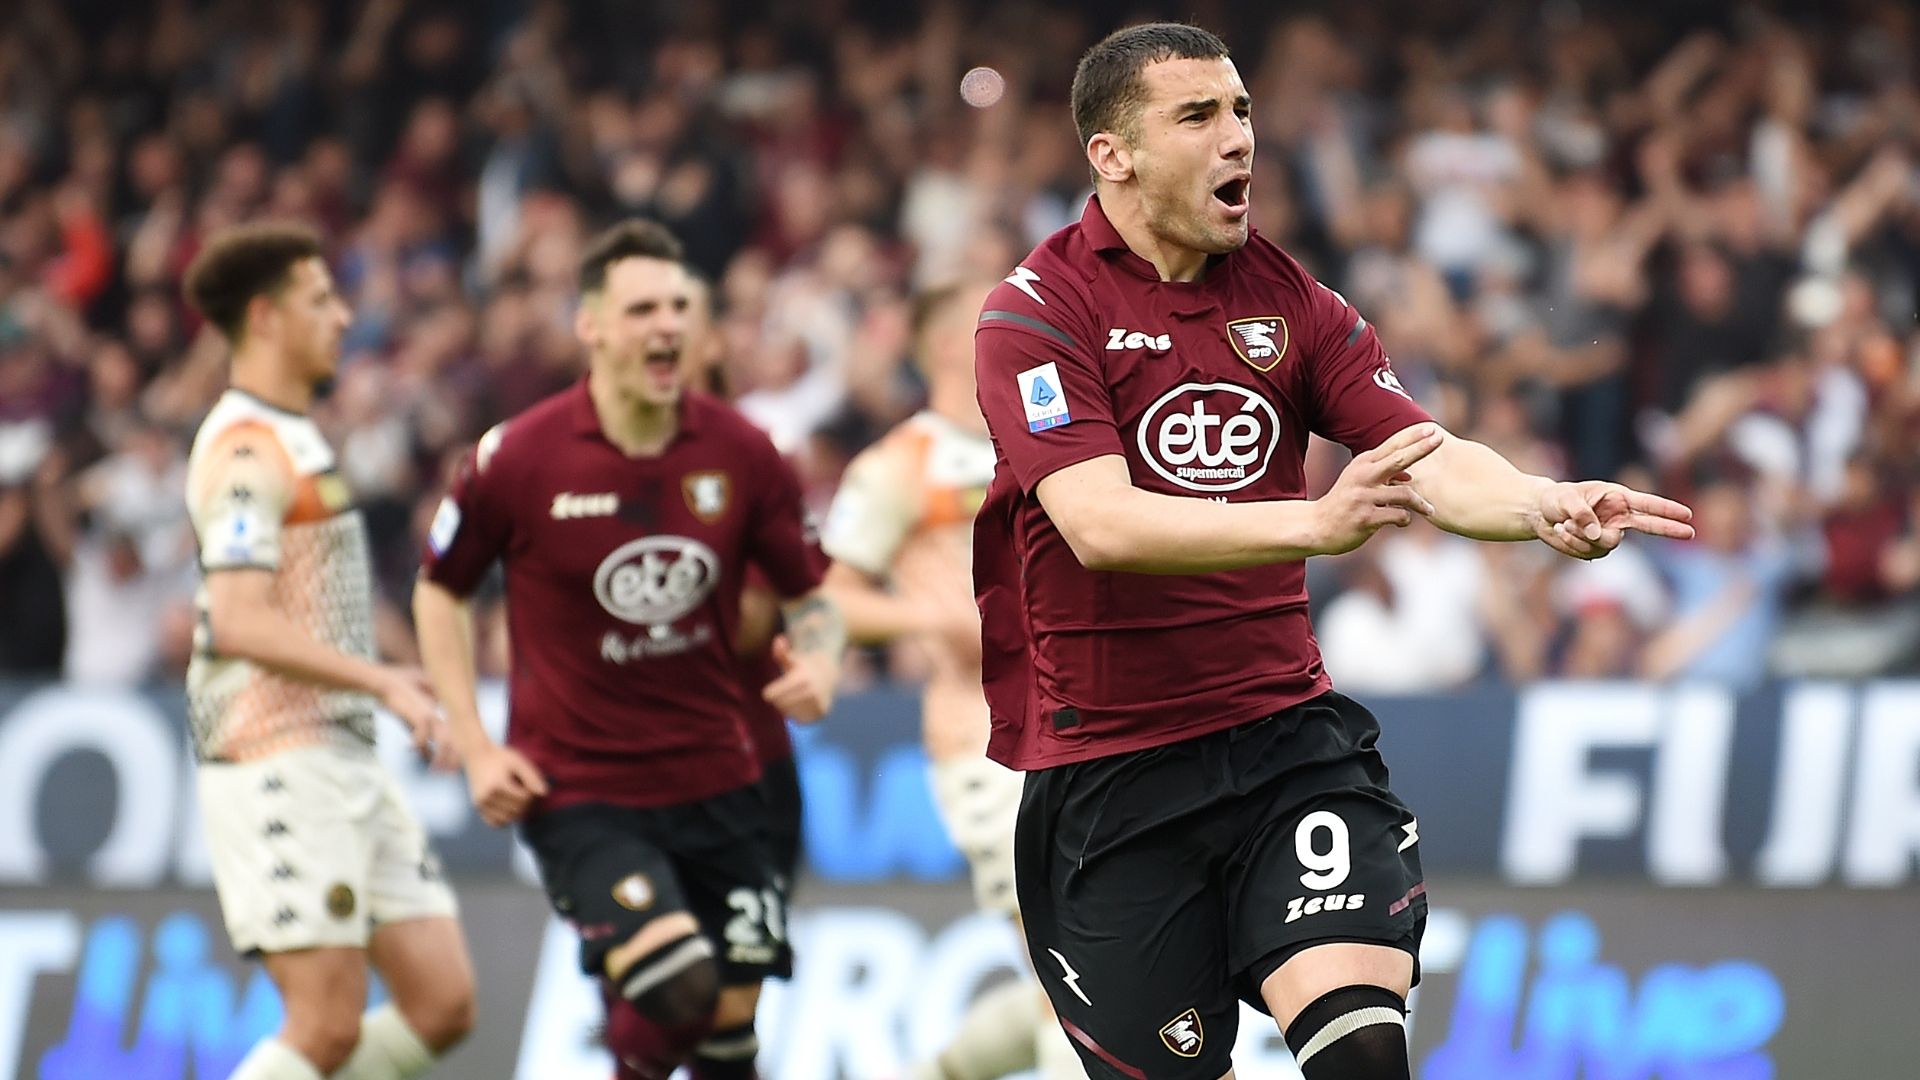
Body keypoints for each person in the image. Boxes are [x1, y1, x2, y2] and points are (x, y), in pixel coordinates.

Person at [971, 24, 1695, 1080]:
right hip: (1110, 779)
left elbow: (1426, 455)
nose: (1239, 140)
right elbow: (1102, 523)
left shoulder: (1288, 300)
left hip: (1284, 751)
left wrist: (1539, 502)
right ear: (1112, 154)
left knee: (1363, 1057)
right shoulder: (1037, 314)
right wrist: (1314, 523)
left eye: (1243, 112)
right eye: (1198, 117)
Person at [412, 218, 845, 1080]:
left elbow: (812, 591)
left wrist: (824, 660)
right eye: (643, 307)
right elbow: (440, 587)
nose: (668, 326)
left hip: (725, 784)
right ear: (592, 325)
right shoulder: (518, 457)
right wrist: (473, 739)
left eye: (681, 306)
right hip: (581, 790)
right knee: (676, 989)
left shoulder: (743, 451)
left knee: (727, 1043)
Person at [179, 223, 474, 1080]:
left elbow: (315, 596)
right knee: (324, 1025)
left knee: (443, 1004)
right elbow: (237, 620)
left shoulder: (297, 435)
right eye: (321, 301)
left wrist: (397, 668)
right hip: (275, 753)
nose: (344, 317)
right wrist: (383, 680)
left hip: (342, 753)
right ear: (266, 318)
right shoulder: (244, 448)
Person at [820, 280, 1084, 1080]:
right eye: (992, 314)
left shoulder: (1051, 435)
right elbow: (832, 598)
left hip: (1092, 727)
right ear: (946, 342)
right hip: (985, 744)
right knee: (1068, 959)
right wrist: (928, 624)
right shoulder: (901, 464)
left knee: (1100, 959)